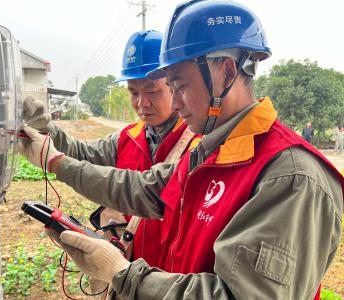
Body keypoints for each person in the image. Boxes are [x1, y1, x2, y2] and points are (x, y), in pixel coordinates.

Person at [18, 1, 344, 298]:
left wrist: (124, 274)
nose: (173, 104)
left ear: (227, 72)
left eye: (181, 86)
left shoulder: (290, 178)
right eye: (171, 88)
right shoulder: (208, 152)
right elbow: (144, 190)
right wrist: (58, 160)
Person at [22, 30, 199, 268]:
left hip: (173, 280)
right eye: (133, 92)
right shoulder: (128, 138)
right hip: (127, 271)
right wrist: (47, 128)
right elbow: (82, 153)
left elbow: (144, 190)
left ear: (173, 85)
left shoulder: (197, 144)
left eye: (152, 91)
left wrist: (57, 162)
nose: (142, 103)